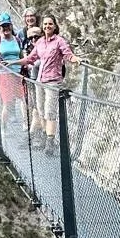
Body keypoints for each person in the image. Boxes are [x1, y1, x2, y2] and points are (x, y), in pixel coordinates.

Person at [21, 15, 78, 154]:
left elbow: (68, 54)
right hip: (40, 81)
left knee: (49, 112)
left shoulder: (59, 41)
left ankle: (50, 143)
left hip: (53, 81)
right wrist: (12, 63)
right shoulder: (40, 42)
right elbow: (30, 58)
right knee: (40, 110)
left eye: (50, 24)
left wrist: (75, 59)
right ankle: (48, 138)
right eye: (45, 24)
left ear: (55, 26)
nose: (47, 26)